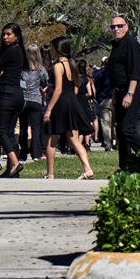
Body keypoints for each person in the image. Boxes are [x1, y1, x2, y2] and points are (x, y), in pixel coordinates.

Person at [43, 37, 94, 180]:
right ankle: (87, 168)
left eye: (53, 49)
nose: (51, 52)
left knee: (51, 139)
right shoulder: (73, 65)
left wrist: (49, 109)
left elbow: (58, 89)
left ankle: (50, 173)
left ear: (58, 50)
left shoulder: (58, 66)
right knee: (74, 139)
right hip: (72, 101)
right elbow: (76, 87)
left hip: (61, 103)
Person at [107, 14, 140, 170]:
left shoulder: (131, 43)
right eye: (113, 27)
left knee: (127, 129)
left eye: (119, 26)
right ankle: (124, 166)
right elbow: (115, 72)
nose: (116, 29)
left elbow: (135, 73)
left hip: (130, 91)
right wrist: (114, 94)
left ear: (126, 26)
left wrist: (129, 94)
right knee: (120, 132)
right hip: (119, 92)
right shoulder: (116, 45)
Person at [0, 23, 26, 178]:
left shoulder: (10, 51)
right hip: (17, 95)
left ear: (16, 36)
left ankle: (15, 162)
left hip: (7, 94)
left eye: (8, 34)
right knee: (10, 132)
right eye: (4, 34)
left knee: (0, 130)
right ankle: (11, 169)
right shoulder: (19, 51)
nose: (5, 37)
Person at [18, 44, 49, 161]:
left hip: (23, 100)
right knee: (36, 128)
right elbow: (45, 82)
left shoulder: (22, 69)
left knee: (23, 127)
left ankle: (23, 153)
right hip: (36, 100)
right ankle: (36, 153)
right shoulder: (41, 69)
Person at [93, 57, 114, 151]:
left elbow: (95, 76)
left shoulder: (102, 73)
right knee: (115, 123)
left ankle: (108, 144)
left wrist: (99, 68)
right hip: (115, 98)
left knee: (106, 123)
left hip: (105, 100)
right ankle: (116, 143)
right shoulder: (116, 72)